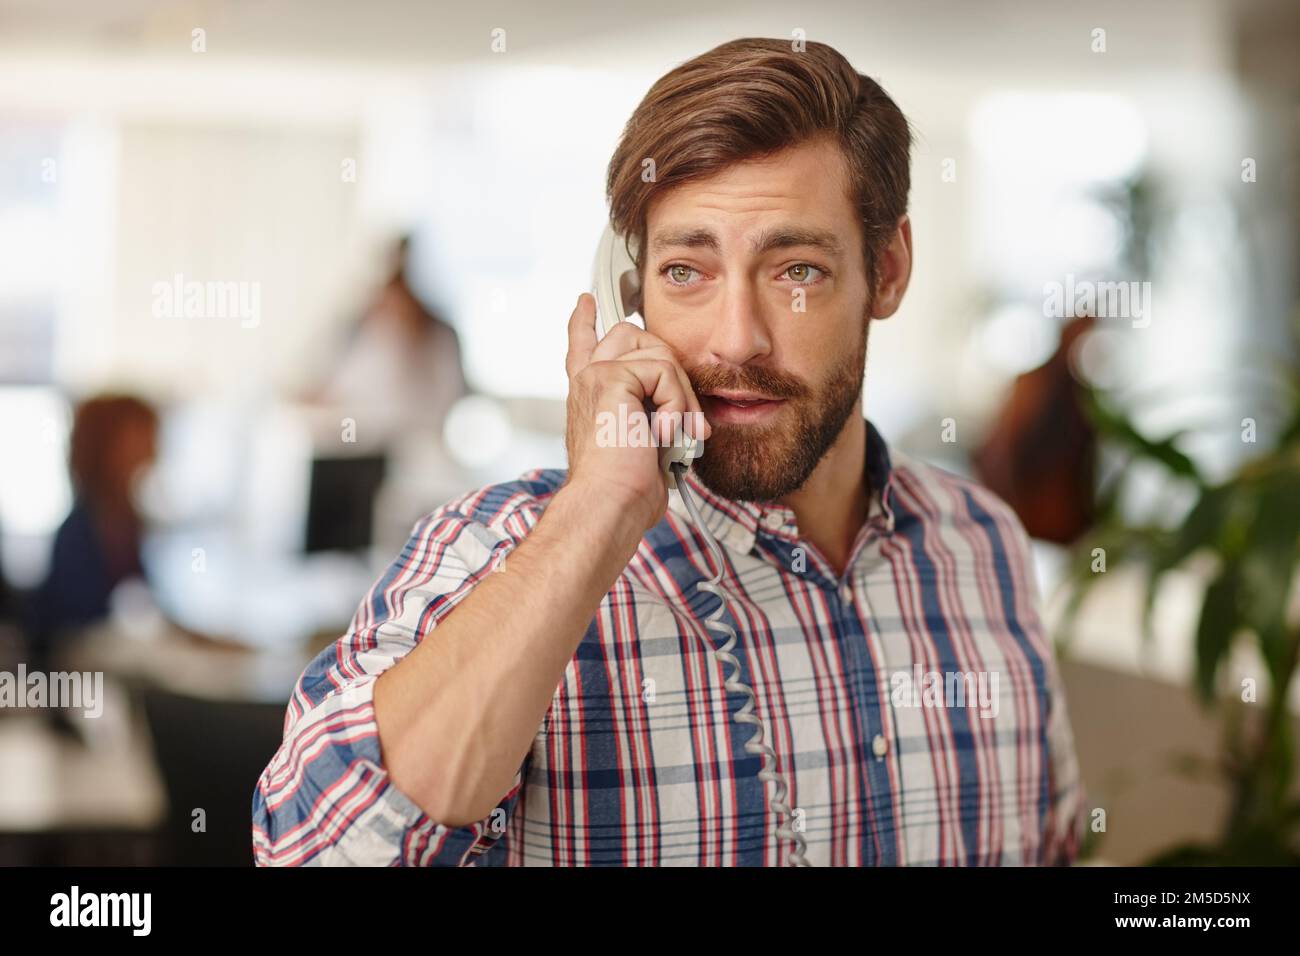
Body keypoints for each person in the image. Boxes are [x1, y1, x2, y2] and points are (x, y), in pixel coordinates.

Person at [254, 38, 1085, 866]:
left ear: (889, 269)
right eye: (686, 270)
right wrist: (597, 514)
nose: (737, 339)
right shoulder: (495, 551)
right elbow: (312, 853)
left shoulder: (985, 546)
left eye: (796, 269)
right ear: (631, 286)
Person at [26, 394, 158, 674]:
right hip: (75, 684)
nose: (153, 448)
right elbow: (74, 633)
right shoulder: (77, 531)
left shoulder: (129, 523)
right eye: (140, 437)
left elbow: (146, 606)